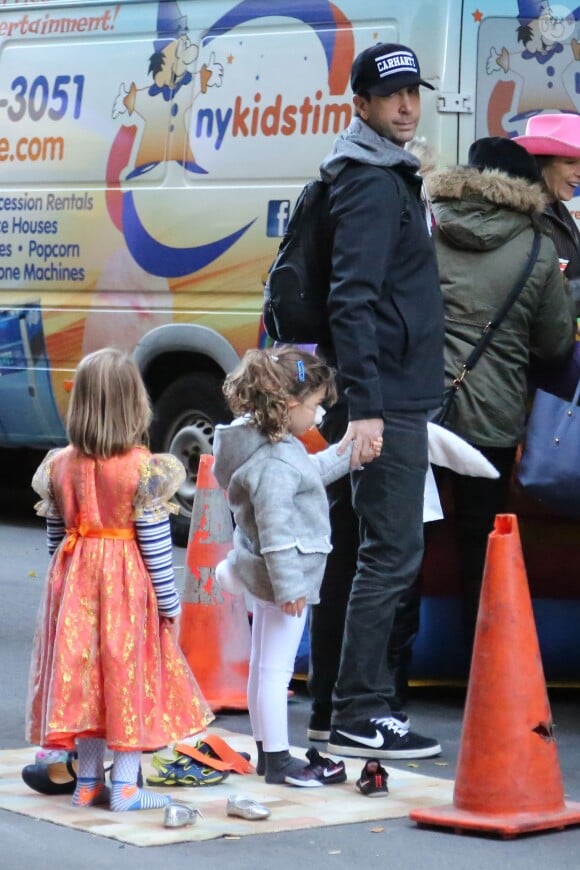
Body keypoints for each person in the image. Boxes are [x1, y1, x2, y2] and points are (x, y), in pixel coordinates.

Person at [313, 42, 445, 761]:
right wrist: (365, 407)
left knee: (378, 552)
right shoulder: (368, 179)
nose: (405, 106)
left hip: (394, 392)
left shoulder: (393, 174)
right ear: (358, 104)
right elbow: (352, 301)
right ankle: (361, 711)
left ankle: (347, 706)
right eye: (389, 95)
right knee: (389, 555)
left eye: (411, 93)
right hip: (382, 399)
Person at [26, 347, 213, 812]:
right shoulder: (141, 469)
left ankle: (86, 782)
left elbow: (57, 537)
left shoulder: (57, 465)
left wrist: (64, 587)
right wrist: (169, 602)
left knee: (87, 680)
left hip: (72, 585)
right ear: (135, 404)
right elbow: (153, 544)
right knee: (126, 676)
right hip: (124, 586)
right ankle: (126, 786)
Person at [426, 136, 576, 647]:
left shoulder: (428, 226)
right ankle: (481, 674)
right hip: (488, 422)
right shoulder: (537, 247)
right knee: (481, 554)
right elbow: (556, 344)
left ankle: (385, 686)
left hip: (418, 414)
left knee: (401, 549)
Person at [212, 346, 382, 786]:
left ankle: (269, 753)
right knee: (275, 671)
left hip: (265, 577)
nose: (319, 415)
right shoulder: (273, 461)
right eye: (315, 405)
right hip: (284, 581)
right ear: (288, 405)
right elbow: (276, 531)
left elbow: (305, 472)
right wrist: (290, 588)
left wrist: (347, 454)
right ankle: (280, 760)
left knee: (263, 667)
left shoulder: (266, 446)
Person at [514, 113, 580, 314]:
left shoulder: (556, 208)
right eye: (570, 162)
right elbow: (536, 297)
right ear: (541, 164)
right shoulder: (525, 216)